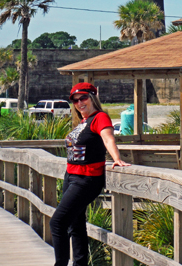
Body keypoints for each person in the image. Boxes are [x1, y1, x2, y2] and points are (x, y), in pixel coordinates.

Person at [50, 82, 130, 266]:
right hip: (71, 176)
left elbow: (108, 138)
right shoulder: (83, 121)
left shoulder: (99, 117)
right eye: (75, 100)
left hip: (87, 179)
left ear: (93, 97)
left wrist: (116, 158)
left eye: (83, 98)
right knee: (75, 224)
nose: (79, 103)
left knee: (57, 223)